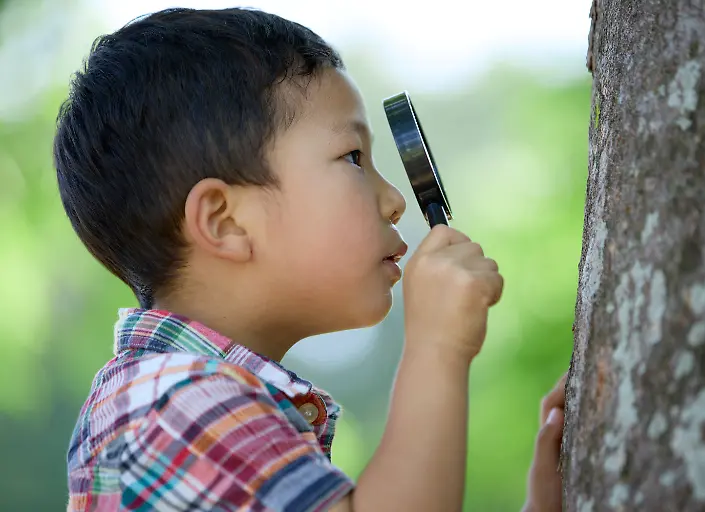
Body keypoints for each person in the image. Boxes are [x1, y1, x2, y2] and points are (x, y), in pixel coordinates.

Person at [55, 7, 567, 511]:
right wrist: (437, 348)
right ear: (226, 223)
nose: (394, 200)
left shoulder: (179, 400)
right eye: (352, 158)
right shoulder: (172, 404)